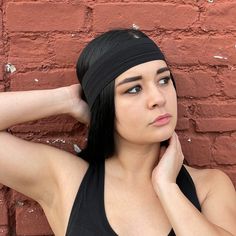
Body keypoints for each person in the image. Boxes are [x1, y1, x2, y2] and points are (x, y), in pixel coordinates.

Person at [0, 28, 235, 236]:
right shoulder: (67, 180)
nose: (158, 98)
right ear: (104, 104)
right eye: (134, 89)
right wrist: (66, 100)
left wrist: (167, 187)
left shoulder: (208, 187)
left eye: (163, 80)